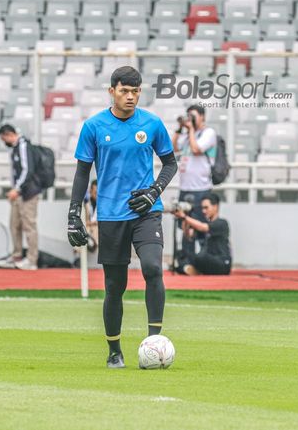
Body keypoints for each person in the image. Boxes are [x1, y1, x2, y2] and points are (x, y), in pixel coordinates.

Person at [66, 66, 178, 368]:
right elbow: (81, 173)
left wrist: (154, 192)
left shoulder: (152, 124)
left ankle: (155, 343)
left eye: (135, 91)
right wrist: (74, 213)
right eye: (124, 91)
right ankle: (114, 350)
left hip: (146, 212)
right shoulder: (93, 126)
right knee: (115, 287)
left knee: (153, 268)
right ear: (112, 91)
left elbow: (170, 164)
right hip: (111, 215)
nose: (130, 97)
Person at [172, 104, 217, 264]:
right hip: (185, 188)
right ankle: (187, 260)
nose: (190, 119)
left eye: (193, 116)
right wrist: (179, 129)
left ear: (202, 116)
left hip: (201, 189)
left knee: (200, 225)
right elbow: (173, 148)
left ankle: (204, 260)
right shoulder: (186, 135)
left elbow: (197, 149)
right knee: (184, 225)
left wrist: (191, 129)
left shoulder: (208, 133)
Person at [0, 124, 41, 271]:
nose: (4, 141)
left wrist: (17, 188)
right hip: (19, 194)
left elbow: (28, 169)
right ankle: (17, 256)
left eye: (4, 138)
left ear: (9, 134)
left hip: (28, 193)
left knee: (29, 226)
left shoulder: (23, 146)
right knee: (14, 225)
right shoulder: (15, 148)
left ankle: (32, 260)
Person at [173, 193, 231, 275]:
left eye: (206, 208)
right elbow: (188, 236)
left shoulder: (222, 223)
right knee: (182, 256)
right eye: (202, 208)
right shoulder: (204, 224)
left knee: (200, 257)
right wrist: (185, 216)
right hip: (207, 260)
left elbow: (202, 227)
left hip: (222, 263)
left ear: (215, 206)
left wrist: (184, 217)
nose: (203, 211)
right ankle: (192, 270)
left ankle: (194, 270)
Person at [84, 179, 98, 252]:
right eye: (95, 192)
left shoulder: (102, 204)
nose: (97, 195)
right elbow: (85, 221)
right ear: (90, 190)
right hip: (88, 228)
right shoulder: (86, 202)